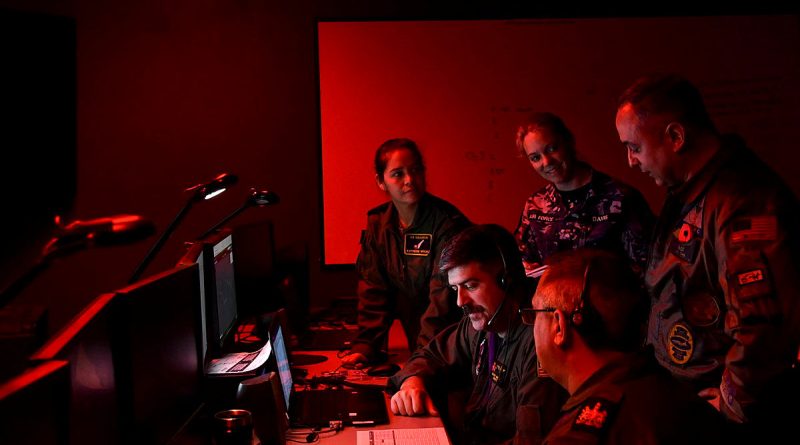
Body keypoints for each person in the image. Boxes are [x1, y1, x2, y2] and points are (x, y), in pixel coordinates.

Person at [616, 74, 800, 438]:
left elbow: (764, 325)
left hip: (718, 417)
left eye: (634, 147)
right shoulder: (688, 189)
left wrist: (730, 404)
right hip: (683, 395)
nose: (630, 162)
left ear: (676, 137)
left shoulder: (741, 199)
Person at [389, 224, 566, 445]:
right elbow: (431, 355)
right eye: (455, 289)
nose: (460, 302)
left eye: (471, 286)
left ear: (507, 280)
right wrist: (412, 382)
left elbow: (530, 441)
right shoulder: (478, 325)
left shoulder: (540, 342)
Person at [530, 249, 728, 444]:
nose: (530, 324)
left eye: (534, 313)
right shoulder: (679, 397)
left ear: (558, 327)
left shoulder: (575, 437)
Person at [342, 138, 471, 368]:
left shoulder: (448, 224)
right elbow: (374, 291)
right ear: (381, 181)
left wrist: (422, 355)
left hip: (457, 344)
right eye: (398, 174)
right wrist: (365, 347)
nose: (409, 180)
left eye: (415, 170)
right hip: (420, 349)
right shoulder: (378, 225)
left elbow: (442, 301)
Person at [514, 112, 654, 276]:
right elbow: (521, 260)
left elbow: (647, 268)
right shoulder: (535, 205)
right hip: (549, 301)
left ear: (569, 142)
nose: (546, 162)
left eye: (552, 149)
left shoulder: (620, 197)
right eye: (535, 157)